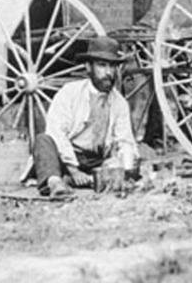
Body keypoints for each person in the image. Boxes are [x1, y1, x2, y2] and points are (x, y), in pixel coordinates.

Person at [33, 35, 138, 197]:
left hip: (96, 161)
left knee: (123, 161)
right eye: (102, 66)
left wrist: (125, 165)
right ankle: (55, 183)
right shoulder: (70, 93)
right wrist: (73, 170)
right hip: (67, 156)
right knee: (43, 140)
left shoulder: (119, 103)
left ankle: (83, 180)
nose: (108, 73)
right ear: (88, 67)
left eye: (112, 67)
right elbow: (57, 133)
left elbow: (124, 140)